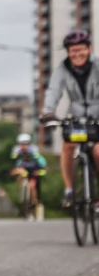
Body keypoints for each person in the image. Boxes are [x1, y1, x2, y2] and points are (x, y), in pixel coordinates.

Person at [41, 29, 99, 209]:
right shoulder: (63, 68)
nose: (77, 54)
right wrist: (48, 112)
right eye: (73, 50)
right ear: (68, 52)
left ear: (89, 49)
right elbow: (53, 91)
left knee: (98, 151)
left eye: (81, 49)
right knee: (68, 145)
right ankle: (69, 191)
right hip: (76, 115)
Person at [10, 132, 48, 221]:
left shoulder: (34, 151)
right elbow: (14, 162)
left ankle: (34, 203)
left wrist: (41, 171)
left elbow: (43, 164)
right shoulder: (17, 151)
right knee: (19, 172)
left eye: (26, 144)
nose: (24, 146)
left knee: (32, 186)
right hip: (24, 171)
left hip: (34, 172)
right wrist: (15, 170)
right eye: (22, 144)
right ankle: (22, 189)